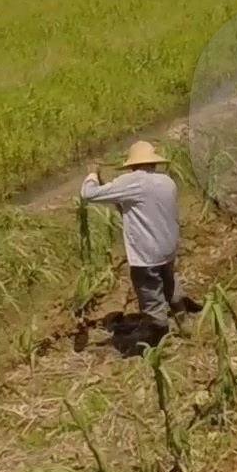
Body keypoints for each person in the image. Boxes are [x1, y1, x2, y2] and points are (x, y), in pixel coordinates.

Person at [80, 140, 194, 335]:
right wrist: (103, 181)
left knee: (150, 294)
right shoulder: (167, 181)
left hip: (146, 253)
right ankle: (185, 325)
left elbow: (88, 194)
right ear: (154, 162)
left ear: (132, 165)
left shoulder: (131, 183)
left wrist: (92, 173)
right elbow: (124, 200)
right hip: (168, 247)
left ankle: (157, 334)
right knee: (169, 283)